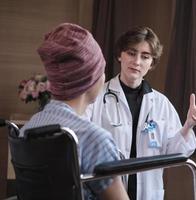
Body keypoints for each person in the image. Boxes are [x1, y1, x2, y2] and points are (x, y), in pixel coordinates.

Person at [85, 26, 196, 200]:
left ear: (152, 63)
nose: (137, 61)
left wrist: (188, 126)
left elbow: (175, 154)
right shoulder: (97, 97)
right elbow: (84, 144)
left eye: (145, 56)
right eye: (131, 53)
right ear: (120, 55)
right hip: (109, 191)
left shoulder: (161, 103)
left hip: (148, 192)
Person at [20, 23, 129, 200]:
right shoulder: (94, 139)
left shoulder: (29, 128)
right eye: (101, 71)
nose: (104, 77)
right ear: (90, 79)